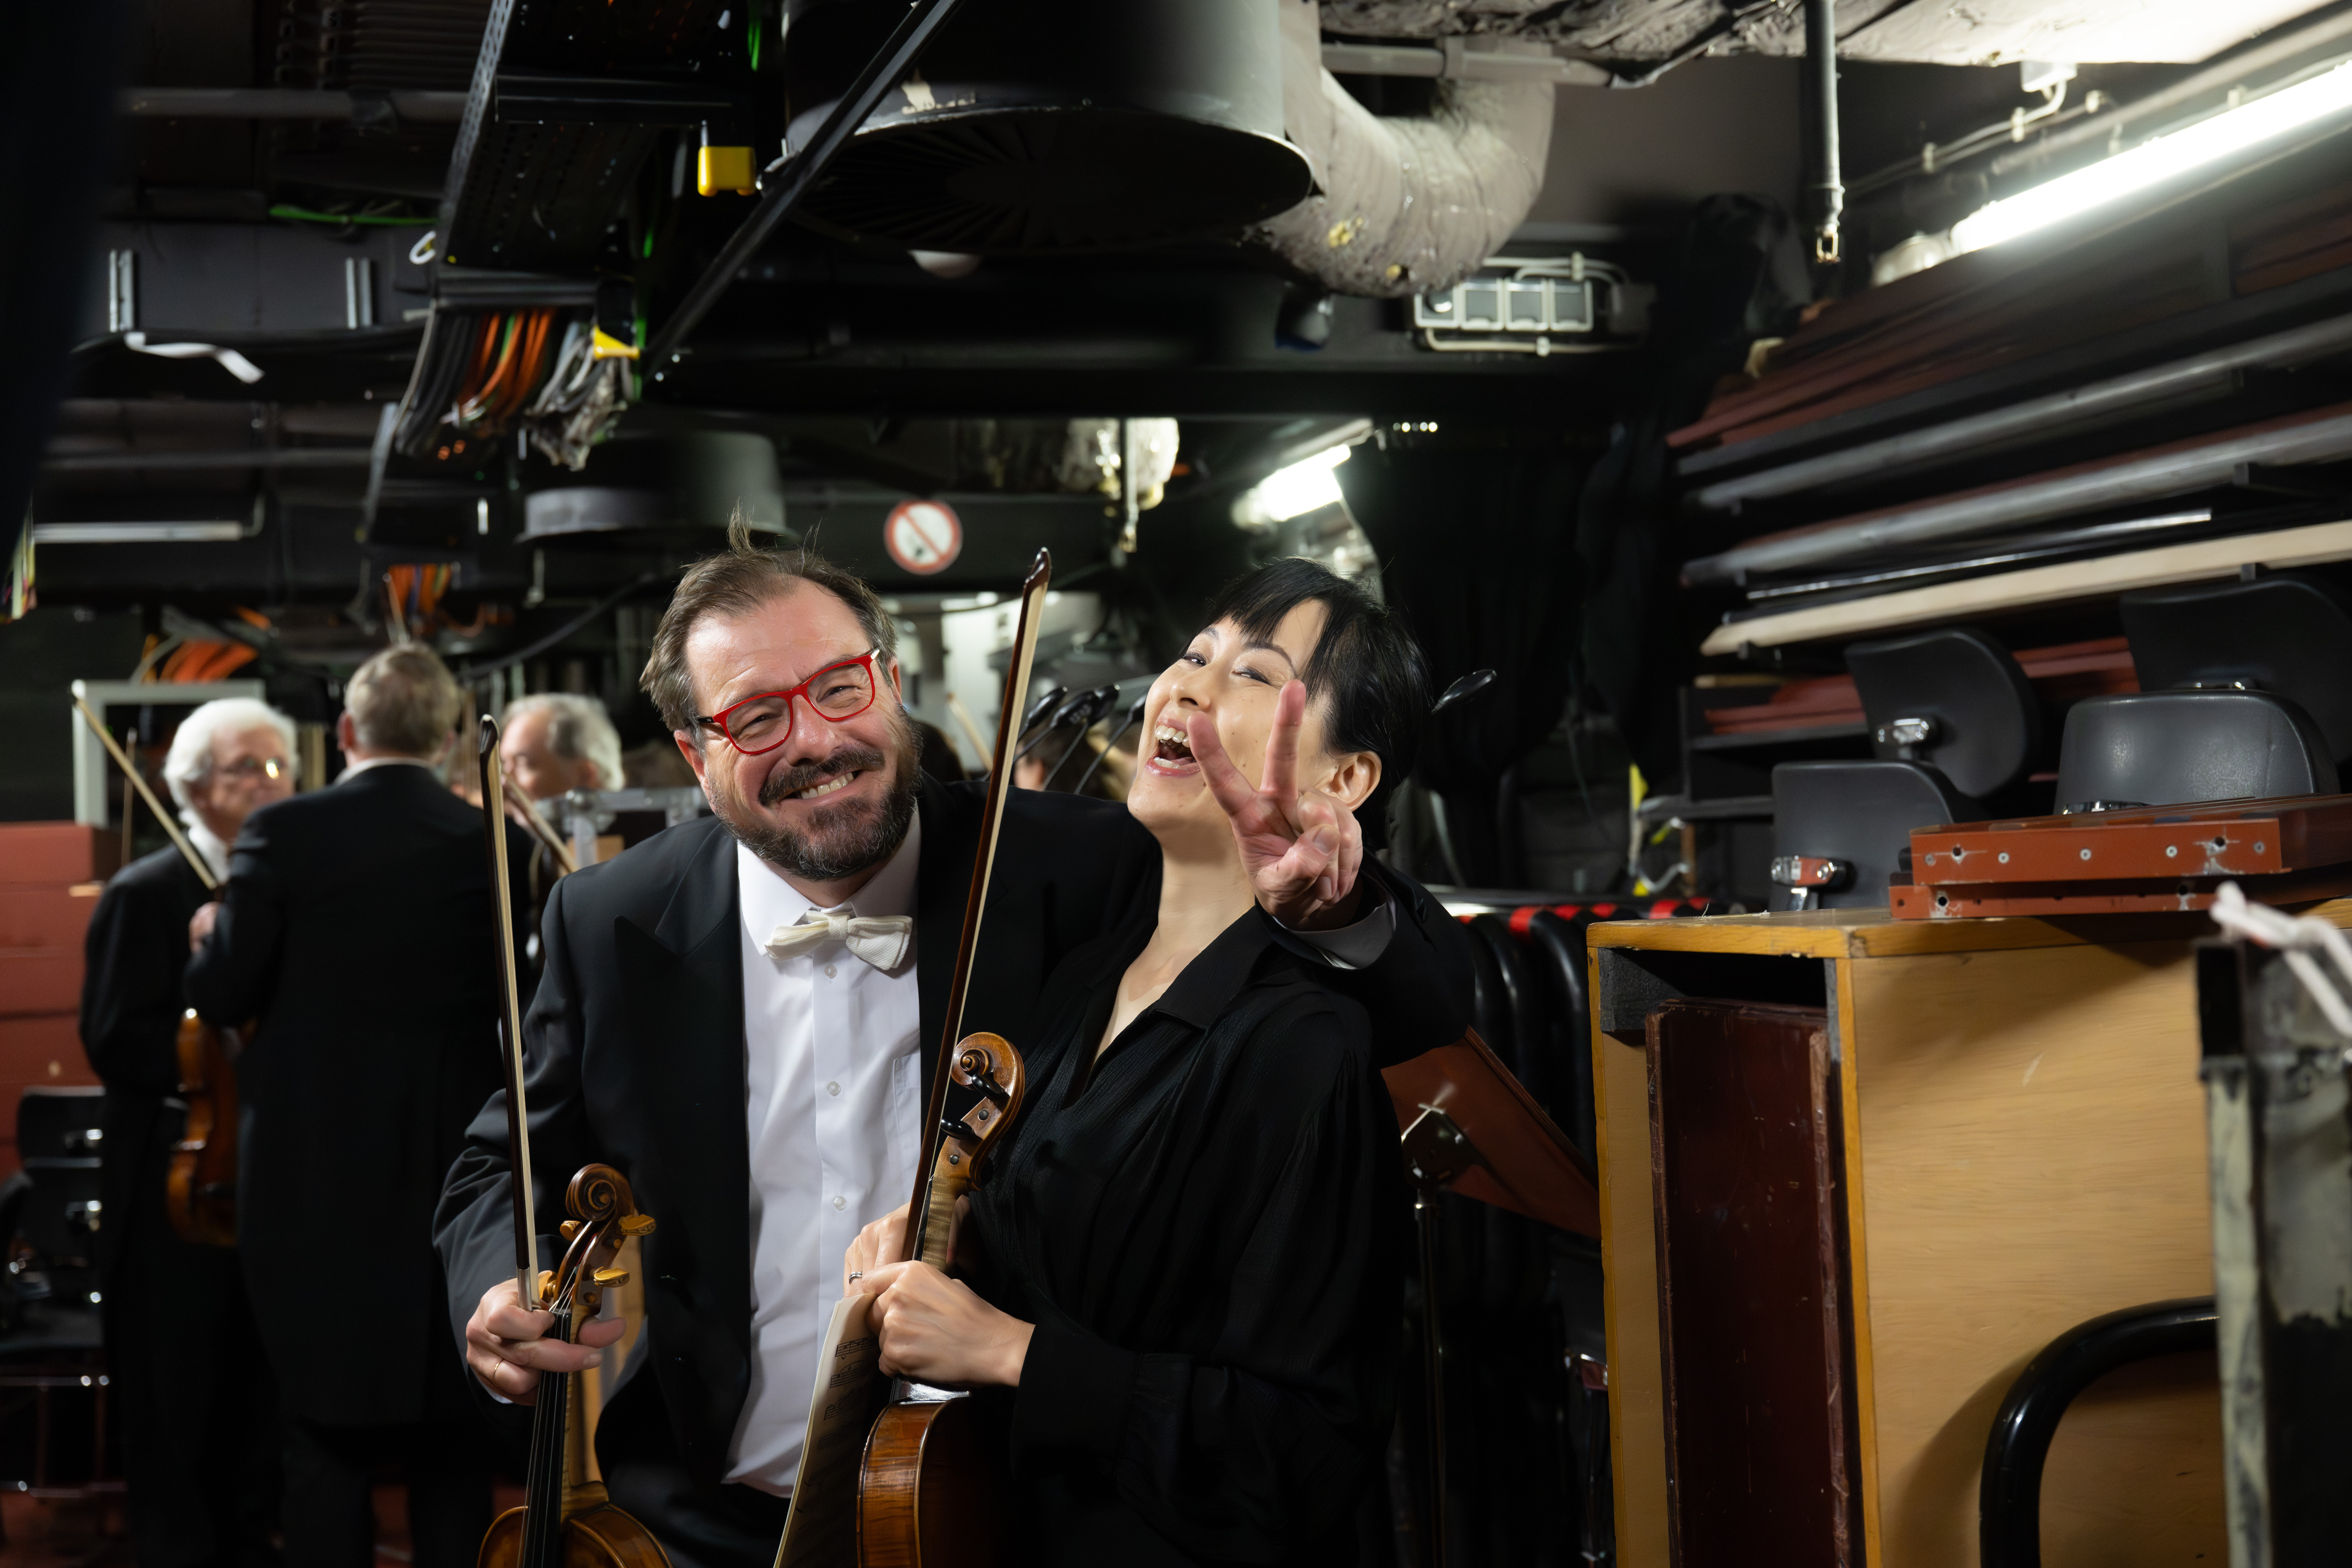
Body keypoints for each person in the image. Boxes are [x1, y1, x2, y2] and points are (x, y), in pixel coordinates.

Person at [434, 528, 1465, 1568]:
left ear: (888, 681)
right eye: (755, 717)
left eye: (841, 687)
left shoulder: (1072, 863)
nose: (815, 741)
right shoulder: (609, 919)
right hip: (708, 1521)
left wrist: (1331, 902)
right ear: (698, 756)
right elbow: (502, 1159)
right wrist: (494, 1292)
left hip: (980, 1514)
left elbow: (1414, 1000)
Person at [844, 559, 1421, 1565]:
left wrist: (1012, 1353)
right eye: (1195, 653)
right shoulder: (1086, 977)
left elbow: (1308, 1454)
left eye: (1253, 673)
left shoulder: (1303, 1045)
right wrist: (957, 1241)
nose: (1189, 685)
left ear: (1346, 779)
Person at [188, 645, 524, 1568]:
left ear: (344, 733)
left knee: (321, 1434)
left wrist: (210, 935)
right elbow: (525, 1009)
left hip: (312, 1183)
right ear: (455, 740)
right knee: (450, 1443)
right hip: (451, 1177)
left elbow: (221, 995)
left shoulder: (283, 834)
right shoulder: (497, 839)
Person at [81, 697, 295, 1568]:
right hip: (176, 1184)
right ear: (196, 787)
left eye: (280, 767)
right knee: (177, 1402)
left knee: (257, 1401)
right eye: (248, 769)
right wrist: (207, 1058)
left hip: (263, 1182)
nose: (270, 785)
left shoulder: (280, 889)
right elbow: (113, 1036)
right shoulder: (146, 892)